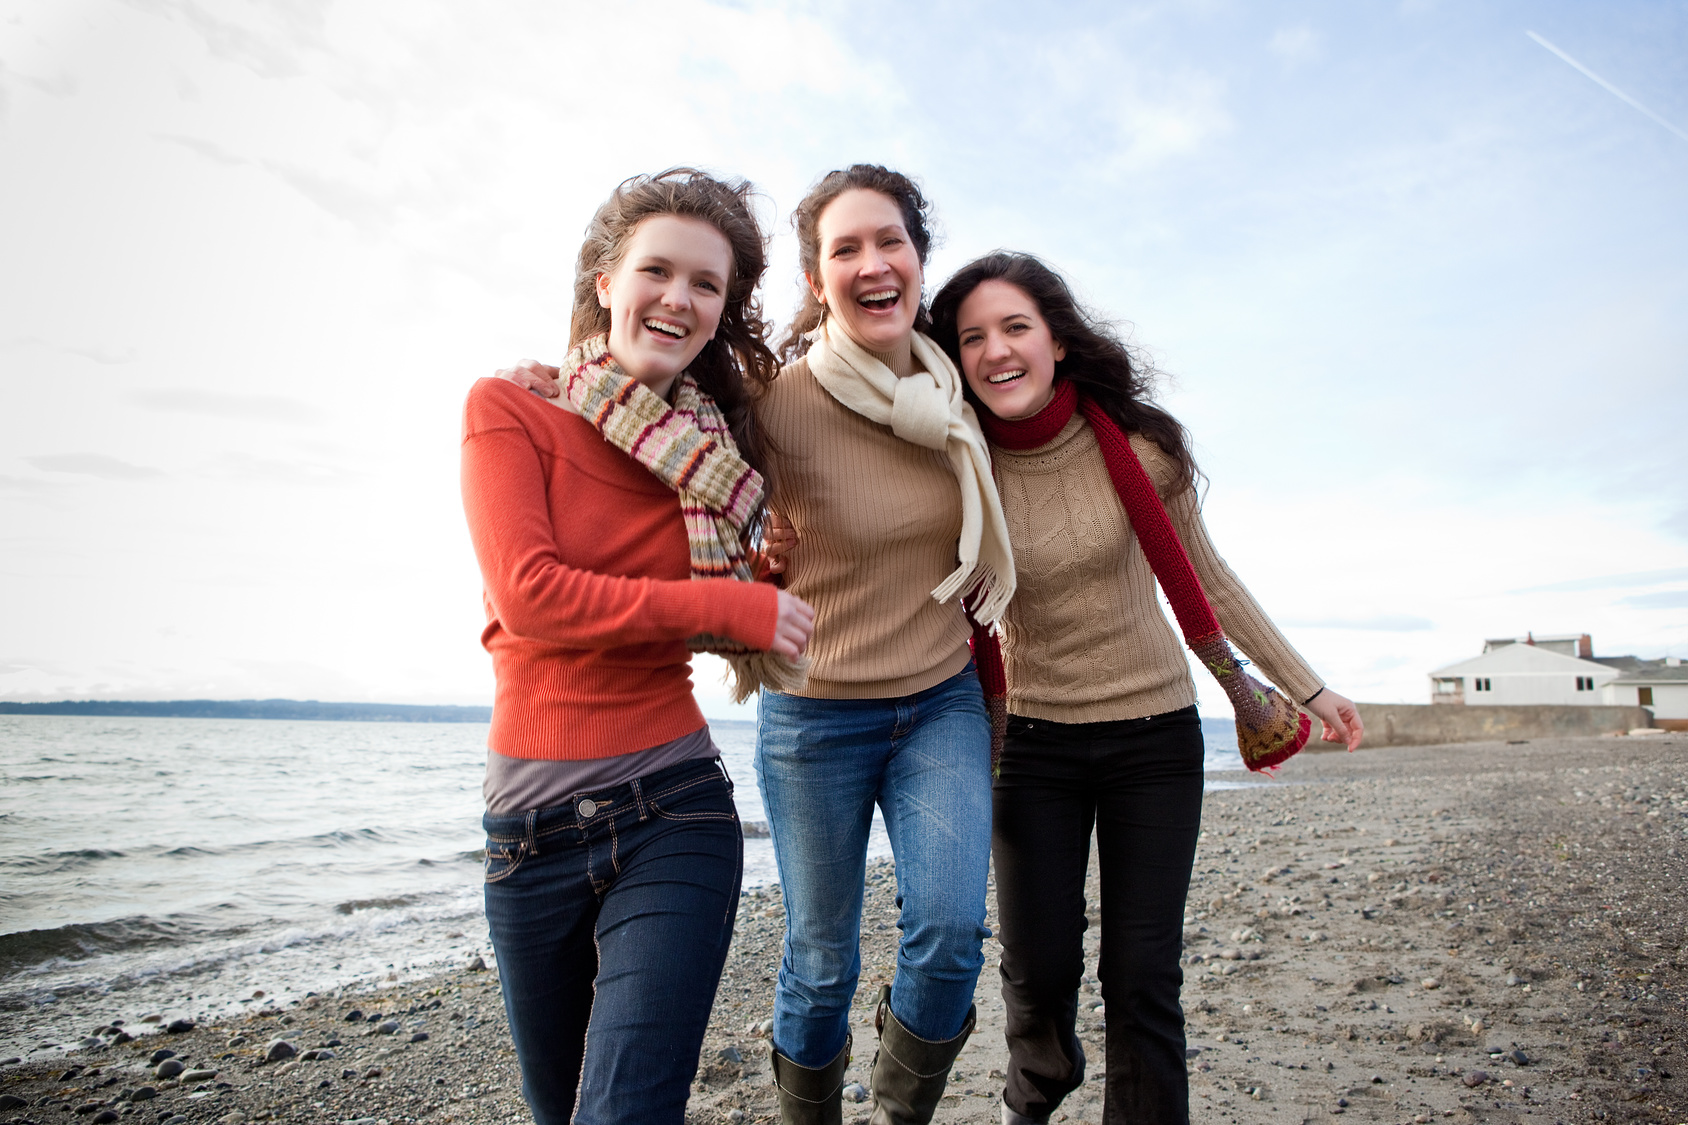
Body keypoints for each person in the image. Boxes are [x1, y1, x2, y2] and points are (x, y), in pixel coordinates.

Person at [927, 251, 1364, 1125]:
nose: (996, 350)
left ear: (1056, 340)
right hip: (1030, 743)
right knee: (1037, 968)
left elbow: (1209, 577)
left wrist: (1305, 686)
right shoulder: (953, 467)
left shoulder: (1139, 448)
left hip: (1155, 735)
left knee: (1142, 975)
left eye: (1015, 327)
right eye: (972, 337)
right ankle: (1036, 1091)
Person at [459, 168, 815, 1125]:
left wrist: (762, 586)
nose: (679, 298)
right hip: (528, 837)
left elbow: (725, 608)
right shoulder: (510, 409)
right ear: (606, 281)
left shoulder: (715, 459)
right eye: (657, 270)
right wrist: (727, 605)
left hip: (674, 809)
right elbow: (531, 597)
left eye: (706, 284)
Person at [749, 164, 1016, 1125]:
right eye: (845, 248)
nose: (872, 263)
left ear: (918, 257)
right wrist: (565, 370)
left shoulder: (960, 394)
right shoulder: (773, 405)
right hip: (813, 714)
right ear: (816, 279)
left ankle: (901, 1115)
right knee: (822, 961)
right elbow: (662, 430)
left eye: (889, 240)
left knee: (950, 935)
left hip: (938, 700)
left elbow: (1056, 401)